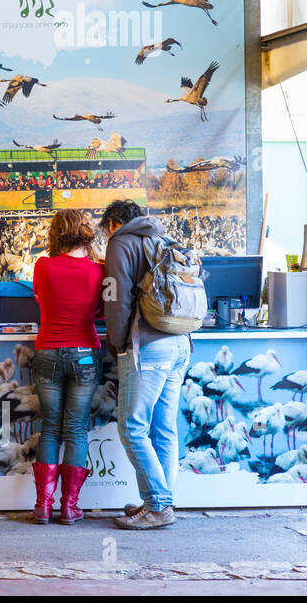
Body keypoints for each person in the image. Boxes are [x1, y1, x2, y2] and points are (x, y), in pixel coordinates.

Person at [101, 199, 191, 530]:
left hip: (148, 347)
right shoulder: (161, 237)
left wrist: (117, 343)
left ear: (112, 222)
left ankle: (158, 505)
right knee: (163, 427)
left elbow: (116, 299)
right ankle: (160, 498)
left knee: (132, 427)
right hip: (180, 343)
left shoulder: (120, 241)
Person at [29, 208, 104, 525]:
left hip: (47, 352)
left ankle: (42, 507)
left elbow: (38, 296)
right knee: (75, 430)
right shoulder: (99, 272)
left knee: (49, 429)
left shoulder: (43, 266)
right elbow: (100, 311)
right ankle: (69, 508)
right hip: (85, 353)